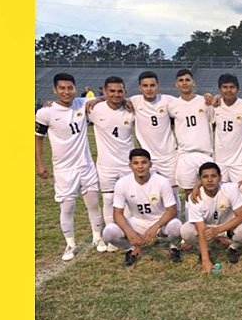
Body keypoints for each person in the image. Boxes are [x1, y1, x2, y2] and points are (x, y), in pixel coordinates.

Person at [35, 73, 106, 260]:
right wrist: (40, 164)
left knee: (93, 205)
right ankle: (70, 245)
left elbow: (111, 96)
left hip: (86, 166)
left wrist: (98, 99)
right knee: (67, 208)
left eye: (70, 88)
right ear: (54, 90)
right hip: (63, 170)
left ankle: (98, 238)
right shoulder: (45, 112)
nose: (66, 92)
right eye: (62, 88)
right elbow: (38, 139)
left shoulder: (82, 103)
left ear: (75, 88)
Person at [102, 149, 182, 267]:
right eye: (136, 163)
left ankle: (173, 247)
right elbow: (117, 213)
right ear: (130, 166)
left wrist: (155, 227)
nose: (140, 166)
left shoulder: (162, 181)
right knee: (108, 232)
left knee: (176, 226)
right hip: (136, 222)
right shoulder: (122, 183)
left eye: (144, 162)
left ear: (150, 164)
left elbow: (171, 210)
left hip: (159, 222)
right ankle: (131, 248)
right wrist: (128, 231)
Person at [88, 76, 135, 252]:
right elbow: (69, 105)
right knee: (108, 199)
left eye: (120, 91)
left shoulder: (131, 109)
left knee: (129, 200)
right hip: (106, 165)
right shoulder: (94, 108)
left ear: (125, 92)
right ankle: (111, 236)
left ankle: (128, 233)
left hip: (127, 165)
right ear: (105, 91)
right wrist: (98, 99)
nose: (116, 94)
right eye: (112, 91)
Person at [181, 162, 242, 273]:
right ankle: (205, 250)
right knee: (186, 230)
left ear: (220, 177)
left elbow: (241, 216)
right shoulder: (195, 197)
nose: (210, 180)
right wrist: (206, 260)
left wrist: (218, 230)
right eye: (205, 177)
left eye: (214, 176)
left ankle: (234, 248)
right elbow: (200, 229)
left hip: (226, 227)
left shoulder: (230, 189)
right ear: (200, 180)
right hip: (208, 229)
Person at [168, 69, 214, 191]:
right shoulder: (172, 105)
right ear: (176, 84)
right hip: (185, 154)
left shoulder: (205, 101)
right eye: (181, 80)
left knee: (210, 190)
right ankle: (189, 211)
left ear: (193, 83)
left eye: (187, 80)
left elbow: (214, 123)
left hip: (205, 153)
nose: (184, 83)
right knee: (188, 191)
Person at [212, 73, 242, 182]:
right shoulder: (215, 107)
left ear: (237, 89)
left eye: (232, 87)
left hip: (240, 161)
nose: (228, 90)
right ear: (219, 89)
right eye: (225, 87)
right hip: (220, 160)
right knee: (222, 194)